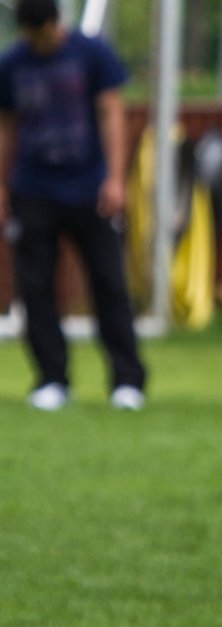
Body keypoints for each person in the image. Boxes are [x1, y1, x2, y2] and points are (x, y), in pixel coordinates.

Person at [0, 0, 147, 411]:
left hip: (90, 189)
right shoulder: (13, 63)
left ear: (54, 24)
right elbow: (6, 126)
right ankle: (51, 379)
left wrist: (115, 178)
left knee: (109, 285)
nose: (36, 42)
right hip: (33, 188)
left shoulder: (91, 53)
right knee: (36, 288)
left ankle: (127, 381)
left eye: (40, 33)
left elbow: (111, 113)